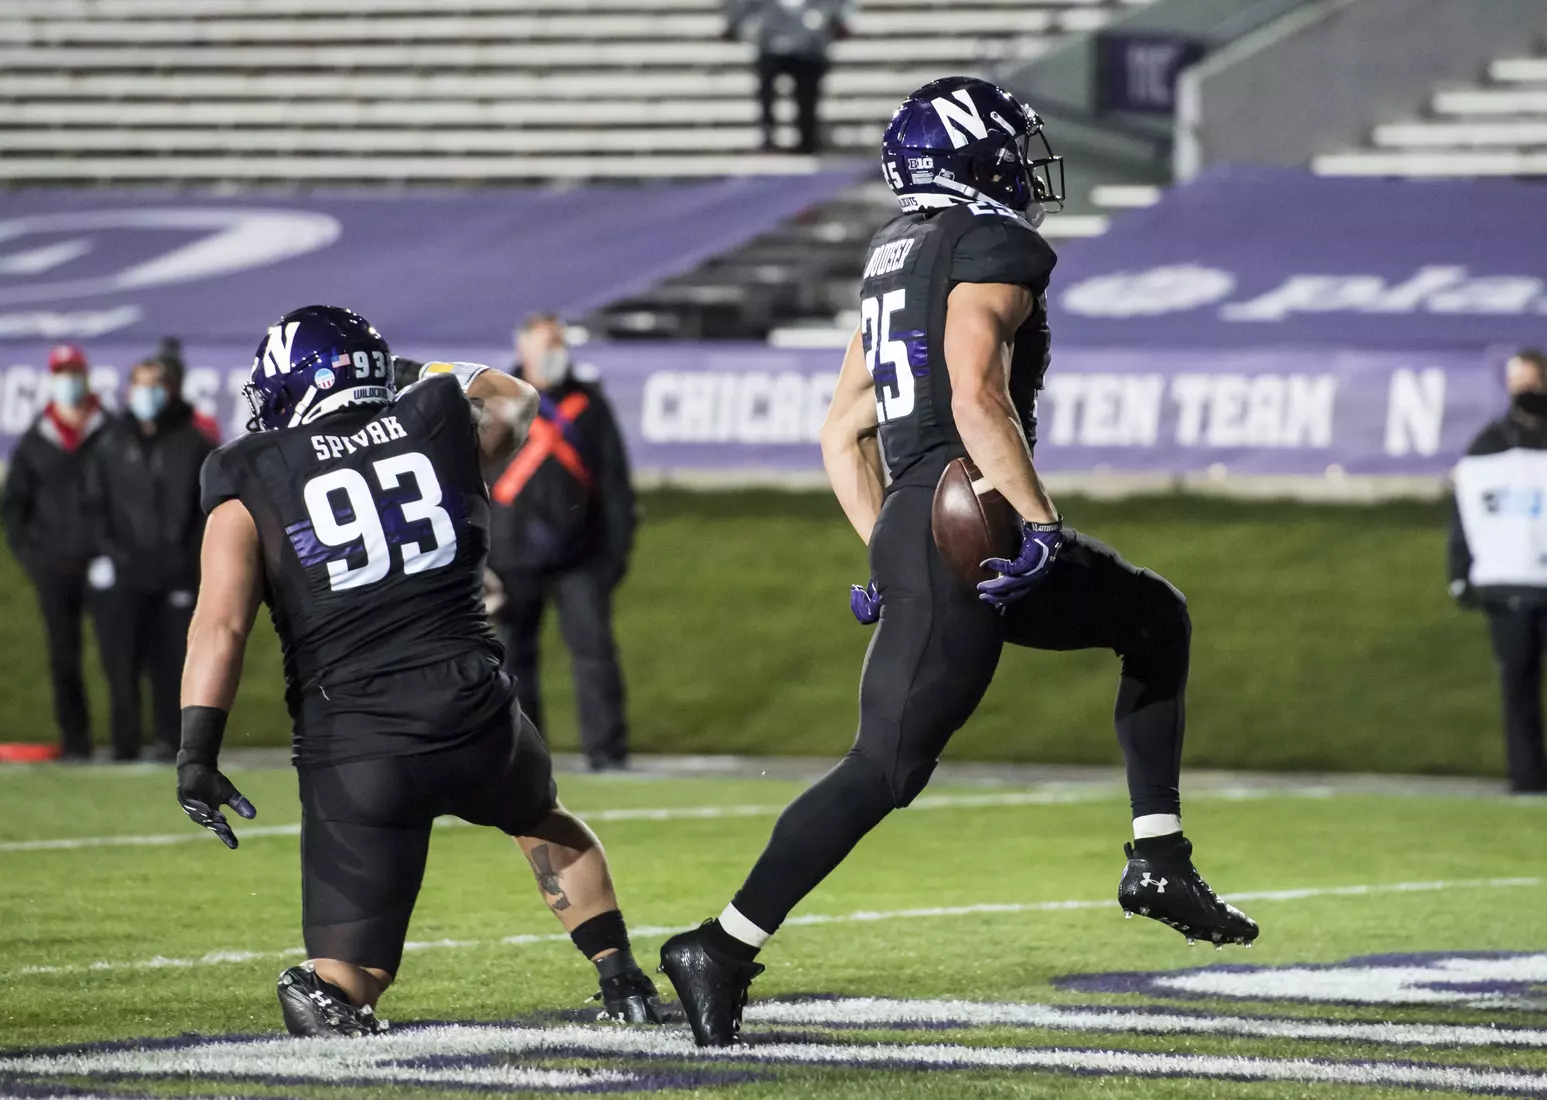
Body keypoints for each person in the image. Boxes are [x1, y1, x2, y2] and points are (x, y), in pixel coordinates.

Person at [658, 77, 1258, 1048]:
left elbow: (839, 429)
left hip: (921, 518)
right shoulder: (994, 246)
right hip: (969, 520)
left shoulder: (895, 254)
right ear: (970, 161)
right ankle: (717, 943)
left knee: (1151, 614)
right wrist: (1040, 523)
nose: (1023, 170)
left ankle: (1158, 853)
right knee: (885, 765)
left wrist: (884, 545)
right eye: (1008, 152)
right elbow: (979, 393)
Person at [174, 306, 661, 1035]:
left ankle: (343, 1004)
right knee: (541, 821)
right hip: (476, 714)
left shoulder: (247, 470)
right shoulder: (435, 420)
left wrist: (196, 751)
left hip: (359, 740)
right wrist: (407, 375)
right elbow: (513, 398)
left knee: (341, 980)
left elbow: (221, 624)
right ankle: (623, 981)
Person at [489, 314, 636, 771]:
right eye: (546, 343)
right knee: (513, 663)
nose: (555, 352)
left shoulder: (588, 404)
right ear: (524, 348)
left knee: (594, 655)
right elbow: (471, 478)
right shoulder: (496, 402)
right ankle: (522, 759)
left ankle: (607, 755)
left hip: (582, 556)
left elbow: (614, 483)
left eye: (559, 342)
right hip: (510, 555)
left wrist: (615, 553)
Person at [87, 353, 217, 762]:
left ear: (170, 389)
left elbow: (206, 511)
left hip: (176, 572)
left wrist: (191, 564)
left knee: (172, 663)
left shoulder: (195, 442)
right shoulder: (109, 441)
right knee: (122, 661)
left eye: (156, 385)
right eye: (141, 385)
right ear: (129, 390)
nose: (148, 394)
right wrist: (110, 553)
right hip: (125, 570)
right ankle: (124, 742)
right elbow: (94, 504)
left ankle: (171, 740)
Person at [1, 344, 110, 761]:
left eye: (74, 372)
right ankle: (76, 740)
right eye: (61, 373)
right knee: (63, 656)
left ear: (85, 375)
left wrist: (113, 551)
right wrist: (34, 557)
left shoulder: (106, 430)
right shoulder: (36, 440)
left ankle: (127, 738)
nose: (69, 381)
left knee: (121, 655)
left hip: (104, 563)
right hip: (55, 565)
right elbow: (15, 508)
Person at [1450, 347, 1547, 794]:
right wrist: (1460, 570)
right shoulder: (1488, 442)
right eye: (1516, 381)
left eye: (1528, 380)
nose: (1522, 390)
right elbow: (1464, 512)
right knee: (1517, 686)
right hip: (1508, 583)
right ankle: (1526, 777)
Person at [725, 0, 852, 154]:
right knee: (769, 93)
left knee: (807, 96)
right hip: (772, 40)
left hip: (809, 42)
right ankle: (770, 137)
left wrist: (841, 19)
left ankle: (807, 139)